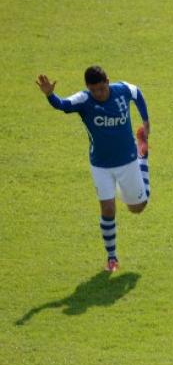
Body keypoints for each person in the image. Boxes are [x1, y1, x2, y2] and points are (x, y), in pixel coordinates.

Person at [36, 66, 151, 272]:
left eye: (101, 89)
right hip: (100, 165)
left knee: (137, 208)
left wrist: (145, 120)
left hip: (128, 161)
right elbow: (63, 105)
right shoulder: (84, 100)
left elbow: (137, 93)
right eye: (93, 90)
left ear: (107, 81)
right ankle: (112, 258)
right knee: (108, 209)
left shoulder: (122, 89)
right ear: (88, 88)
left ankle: (143, 153)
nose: (98, 94)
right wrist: (50, 95)